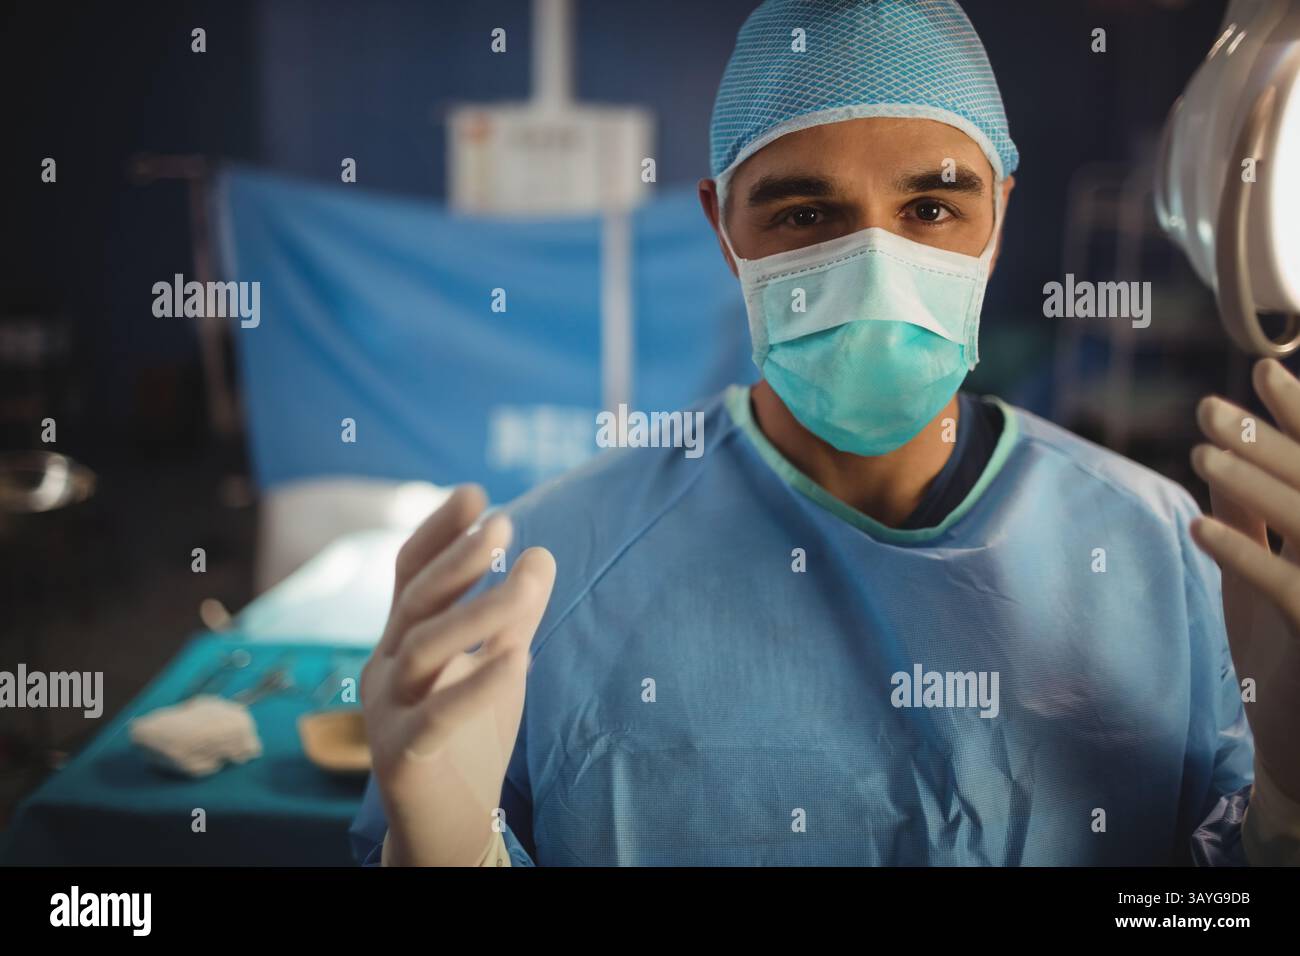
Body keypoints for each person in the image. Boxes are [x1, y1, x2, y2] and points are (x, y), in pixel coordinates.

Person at [351, 0, 1300, 866]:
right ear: (723, 229)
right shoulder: (546, 578)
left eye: (932, 208)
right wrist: (444, 854)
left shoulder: (1162, 555)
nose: (878, 272)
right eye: (806, 215)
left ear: (1000, 214)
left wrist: (1287, 808)